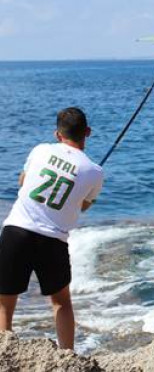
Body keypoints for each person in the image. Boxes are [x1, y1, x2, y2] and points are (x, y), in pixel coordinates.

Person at [0, 107, 103, 350]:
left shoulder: (41, 150)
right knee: (61, 302)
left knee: (5, 302)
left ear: (57, 134)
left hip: (17, 231)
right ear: (87, 132)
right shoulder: (95, 172)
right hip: (53, 241)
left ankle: (4, 355)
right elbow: (84, 207)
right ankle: (67, 355)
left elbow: (23, 181)